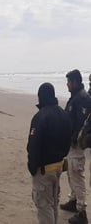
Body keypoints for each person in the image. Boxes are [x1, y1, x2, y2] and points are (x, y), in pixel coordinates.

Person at [28, 82, 72, 224]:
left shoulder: (40, 117)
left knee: (44, 206)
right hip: (58, 166)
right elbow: (68, 141)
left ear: (41, 97)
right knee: (53, 204)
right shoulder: (64, 115)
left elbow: (33, 145)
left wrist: (32, 166)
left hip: (44, 170)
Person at [60, 69, 91, 224]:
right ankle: (73, 201)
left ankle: (82, 211)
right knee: (72, 173)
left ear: (76, 82)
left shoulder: (83, 98)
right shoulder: (76, 98)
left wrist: (75, 138)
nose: (67, 84)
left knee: (77, 175)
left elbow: (82, 123)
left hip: (77, 144)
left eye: (69, 82)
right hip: (71, 144)